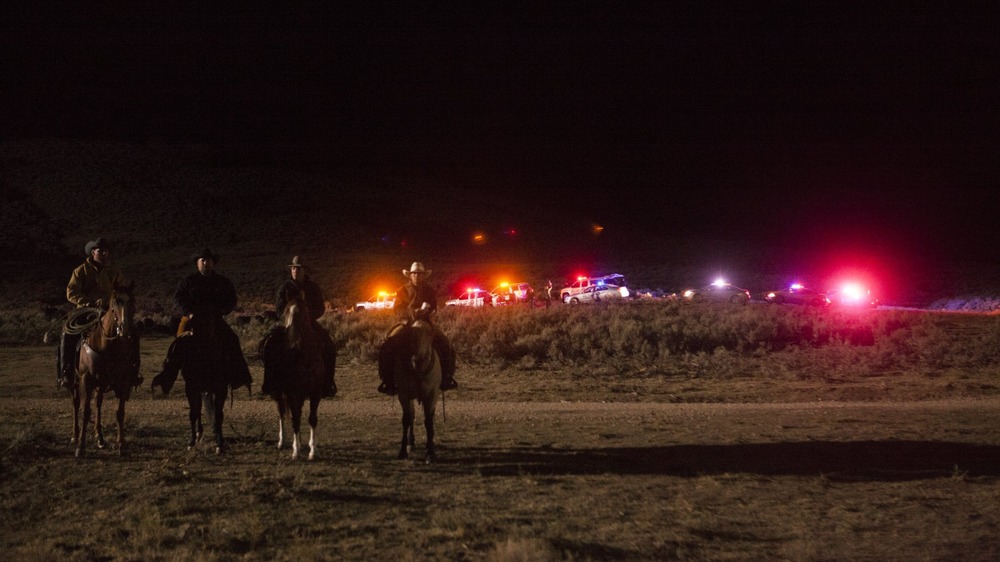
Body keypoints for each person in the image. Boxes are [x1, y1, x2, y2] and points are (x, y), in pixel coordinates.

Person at [152, 249, 252, 393]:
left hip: (215, 319)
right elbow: (178, 298)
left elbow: (232, 298)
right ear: (197, 263)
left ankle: (240, 376)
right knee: (178, 343)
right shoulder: (188, 281)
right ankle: (167, 377)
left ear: (213, 263)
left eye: (208, 260)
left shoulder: (222, 282)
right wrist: (189, 312)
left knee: (232, 339)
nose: (206, 263)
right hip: (192, 319)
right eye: (202, 260)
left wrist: (223, 310)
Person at [59, 238, 142, 389]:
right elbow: (71, 292)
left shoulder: (114, 271)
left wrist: (112, 302)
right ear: (92, 252)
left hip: (110, 310)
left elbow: (122, 290)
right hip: (85, 310)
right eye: (100, 251)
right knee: (67, 333)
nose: (104, 254)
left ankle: (133, 371)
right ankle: (66, 372)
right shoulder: (81, 271)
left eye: (106, 251)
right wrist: (89, 302)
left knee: (133, 332)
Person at [377, 262, 457, 395]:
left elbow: (434, 307)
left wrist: (426, 311)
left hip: (426, 323)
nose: (417, 276)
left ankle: (446, 378)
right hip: (407, 323)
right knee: (388, 345)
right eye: (414, 273)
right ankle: (388, 381)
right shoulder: (402, 290)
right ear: (410, 275)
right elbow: (397, 309)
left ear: (423, 275)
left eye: (419, 274)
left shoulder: (429, 291)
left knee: (445, 343)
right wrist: (413, 312)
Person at [270, 255, 337, 397]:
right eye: (293, 268)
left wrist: (307, 317)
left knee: (329, 346)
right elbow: (278, 309)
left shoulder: (312, 288)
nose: (295, 271)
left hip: (309, 323)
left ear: (304, 270)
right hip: (289, 324)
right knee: (270, 345)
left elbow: (320, 307)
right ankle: (270, 383)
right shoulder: (285, 288)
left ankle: (328, 382)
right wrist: (289, 317)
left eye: (298, 268)